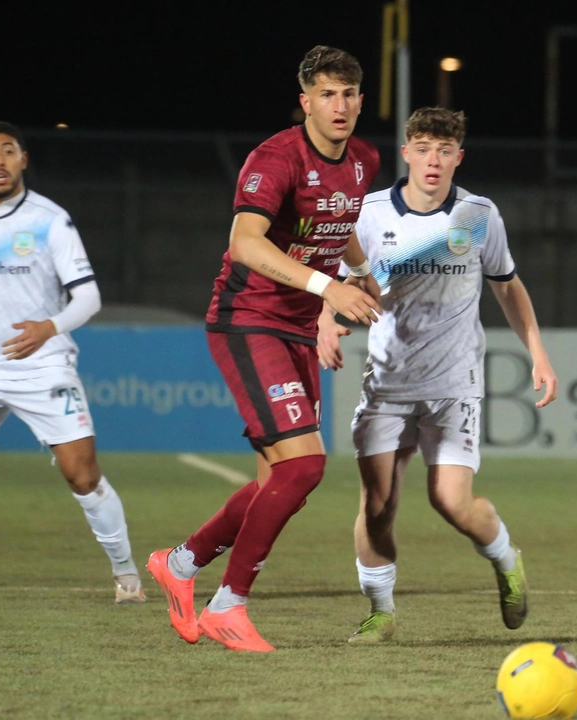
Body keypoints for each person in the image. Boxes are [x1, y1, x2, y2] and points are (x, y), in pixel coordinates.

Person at [146, 46, 382, 652]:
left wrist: (361, 270)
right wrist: (332, 286)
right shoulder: (275, 157)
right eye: (327, 94)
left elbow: (341, 219)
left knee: (280, 480)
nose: (341, 106)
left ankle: (179, 563)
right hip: (247, 319)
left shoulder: (363, 160)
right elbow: (247, 243)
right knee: (304, 466)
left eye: (350, 94)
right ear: (305, 102)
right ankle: (229, 606)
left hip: (299, 327)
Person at [320, 107, 557, 644]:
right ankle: (381, 611)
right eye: (423, 148)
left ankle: (505, 558)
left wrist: (538, 352)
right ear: (406, 153)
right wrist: (324, 326)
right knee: (377, 505)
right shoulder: (371, 213)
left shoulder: (477, 215)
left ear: (459, 158)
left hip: (454, 384)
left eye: (445, 150)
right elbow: (331, 277)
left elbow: (508, 286)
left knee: (450, 501)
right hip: (387, 382)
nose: (433, 160)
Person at [0, 121, 144, 604]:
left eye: (7, 151)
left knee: (82, 474)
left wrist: (47, 328)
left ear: (23, 160)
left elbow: (89, 298)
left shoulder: (49, 220)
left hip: (44, 366)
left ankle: (127, 576)